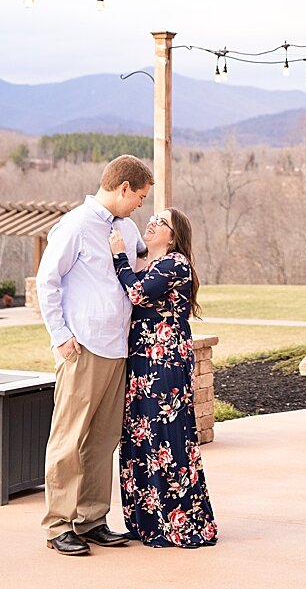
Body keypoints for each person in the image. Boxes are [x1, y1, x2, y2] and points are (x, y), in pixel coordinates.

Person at [35, 154, 153, 556]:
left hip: (117, 348)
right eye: (139, 196)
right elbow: (46, 281)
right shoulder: (75, 226)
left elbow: (140, 258)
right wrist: (61, 336)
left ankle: (91, 519)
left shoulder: (127, 225)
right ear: (122, 188)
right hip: (83, 347)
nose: (141, 203)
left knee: (103, 440)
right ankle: (57, 526)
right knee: (69, 439)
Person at [112, 207, 218, 549]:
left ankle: (179, 521)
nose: (152, 223)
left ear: (173, 237)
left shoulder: (176, 264)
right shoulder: (152, 265)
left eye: (161, 222)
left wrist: (119, 258)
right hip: (143, 361)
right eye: (152, 218)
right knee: (142, 436)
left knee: (166, 437)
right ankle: (147, 521)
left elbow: (137, 293)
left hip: (165, 362)